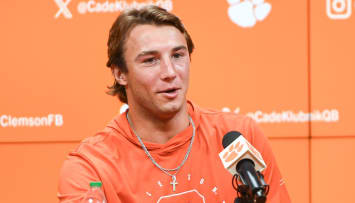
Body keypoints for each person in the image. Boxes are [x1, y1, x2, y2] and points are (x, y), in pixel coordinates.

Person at [58, 6, 291, 203]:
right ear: (120, 73)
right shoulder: (91, 167)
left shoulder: (240, 137)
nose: (170, 72)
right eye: (151, 60)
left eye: (178, 55)